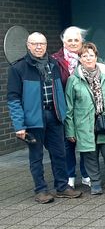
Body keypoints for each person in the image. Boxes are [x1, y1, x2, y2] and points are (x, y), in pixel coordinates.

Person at [7, 32, 83, 203]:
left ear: (46, 45)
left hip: (54, 116)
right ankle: (41, 190)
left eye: (42, 44)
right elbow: (13, 99)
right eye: (35, 44)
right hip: (33, 120)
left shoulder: (54, 64)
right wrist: (19, 125)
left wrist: (63, 114)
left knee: (60, 154)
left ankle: (62, 187)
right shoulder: (18, 68)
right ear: (28, 45)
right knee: (36, 157)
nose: (39, 47)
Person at [65, 42, 105, 195]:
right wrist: (70, 130)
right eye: (84, 56)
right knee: (90, 155)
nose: (88, 58)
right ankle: (95, 183)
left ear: (96, 57)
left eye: (91, 55)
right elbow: (69, 107)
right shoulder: (74, 80)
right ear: (80, 59)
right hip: (85, 124)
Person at [50, 26, 90, 189]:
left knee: (87, 143)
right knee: (67, 144)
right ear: (63, 41)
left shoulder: (89, 56)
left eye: (76, 40)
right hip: (64, 109)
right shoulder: (54, 60)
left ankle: (87, 174)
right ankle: (70, 176)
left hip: (86, 109)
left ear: (82, 42)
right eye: (69, 40)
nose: (73, 43)